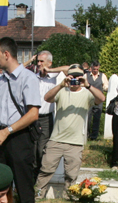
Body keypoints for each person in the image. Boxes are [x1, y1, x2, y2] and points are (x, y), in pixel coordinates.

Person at [0, 37, 41, 203]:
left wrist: (7, 131)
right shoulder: (1, 81)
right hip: (0, 137)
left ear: (6, 54)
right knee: (0, 184)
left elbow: (33, 114)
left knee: (23, 184)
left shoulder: (28, 78)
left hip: (19, 137)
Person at [36, 64, 105, 195]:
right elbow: (46, 98)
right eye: (72, 76)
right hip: (56, 139)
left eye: (78, 76)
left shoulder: (87, 94)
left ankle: (68, 198)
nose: (75, 79)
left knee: (71, 175)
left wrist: (88, 85)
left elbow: (101, 98)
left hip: (75, 142)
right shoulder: (61, 91)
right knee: (45, 170)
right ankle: (38, 195)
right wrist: (61, 84)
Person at [33, 51, 67, 177]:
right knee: (32, 150)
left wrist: (50, 69)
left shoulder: (54, 77)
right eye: (38, 61)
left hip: (46, 118)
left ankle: (41, 177)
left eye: (42, 61)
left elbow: (69, 69)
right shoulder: (33, 77)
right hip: (32, 117)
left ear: (49, 63)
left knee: (42, 149)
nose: (39, 64)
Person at [85, 62, 109, 140]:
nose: (95, 70)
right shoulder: (86, 75)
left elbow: (106, 86)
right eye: (94, 69)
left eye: (97, 69)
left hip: (98, 100)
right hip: (88, 99)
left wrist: (106, 88)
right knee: (87, 117)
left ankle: (94, 136)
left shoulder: (103, 76)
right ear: (91, 68)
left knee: (97, 118)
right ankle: (86, 134)